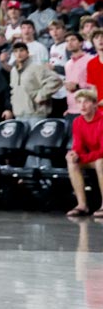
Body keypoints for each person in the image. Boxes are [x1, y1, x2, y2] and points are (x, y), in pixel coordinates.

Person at [64, 89, 103, 218]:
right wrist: (74, 154)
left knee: (100, 163)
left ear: (94, 104)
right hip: (93, 157)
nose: (82, 105)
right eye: (79, 102)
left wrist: (82, 157)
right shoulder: (78, 121)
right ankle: (82, 205)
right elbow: (78, 146)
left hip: (100, 158)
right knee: (72, 162)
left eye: (86, 102)